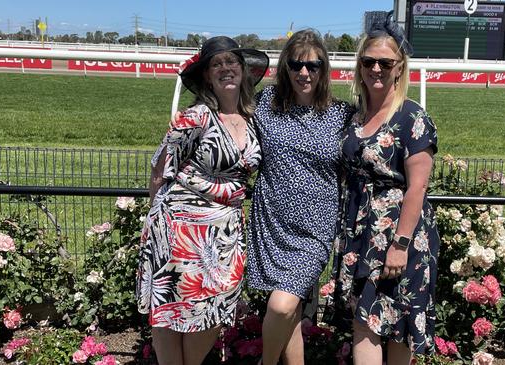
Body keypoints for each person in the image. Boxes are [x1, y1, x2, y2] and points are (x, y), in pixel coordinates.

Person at [136, 36, 269, 365]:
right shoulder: (195, 117)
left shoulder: (253, 118)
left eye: (231, 62)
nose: (225, 68)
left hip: (224, 234)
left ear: (243, 70)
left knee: (214, 310)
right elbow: (160, 168)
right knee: (169, 307)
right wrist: (157, 222)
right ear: (207, 75)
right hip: (179, 228)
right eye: (216, 64)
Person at [330, 11, 440, 364]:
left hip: (399, 236)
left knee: (398, 328)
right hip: (359, 236)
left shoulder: (412, 118)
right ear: (359, 66)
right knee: (364, 321)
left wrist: (400, 245)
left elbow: (418, 187)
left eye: (385, 62)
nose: (376, 69)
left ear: (399, 67)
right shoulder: (355, 117)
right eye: (368, 61)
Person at [246, 29, 355, 365]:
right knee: (288, 311)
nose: (304, 73)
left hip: (315, 229)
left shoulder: (342, 115)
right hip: (272, 221)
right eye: (295, 65)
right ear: (285, 69)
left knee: (281, 304)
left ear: (324, 69)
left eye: (313, 66)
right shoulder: (266, 102)